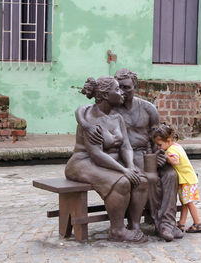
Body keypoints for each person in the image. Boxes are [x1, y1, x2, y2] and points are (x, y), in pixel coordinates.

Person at [75, 69, 183, 241]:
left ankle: (168, 223)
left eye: (126, 88)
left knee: (171, 174)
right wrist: (84, 122)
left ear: (135, 86)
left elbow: (158, 136)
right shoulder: (111, 106)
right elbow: (85, 109)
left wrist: (159, 153)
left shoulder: (148, 109)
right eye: (119, 88)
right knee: (150, 178)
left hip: (145, 153)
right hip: (124, 157)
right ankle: (156, 222)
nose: (122, 92)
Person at [65, 76, 149, 242]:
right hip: (83, 162)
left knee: (141, 179)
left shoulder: (117, 118)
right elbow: (96, 155)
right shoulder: (89, 118)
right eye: (117, 89)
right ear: (104, 95)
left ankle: (135, 225)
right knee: (122, 182)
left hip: (107, 162)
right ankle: (117, 230)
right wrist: (123, 170)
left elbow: (125, 145)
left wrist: (131, 165)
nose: (121, 93)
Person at [152, 124, 201, 233]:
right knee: (185, 202)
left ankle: (198, 223)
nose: (158, 147)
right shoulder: (176, 145)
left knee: (189, 202)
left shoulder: (171, 151)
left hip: (186, 180)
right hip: (188, 179)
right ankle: (181, 223)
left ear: (169, 140)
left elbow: (176, 161)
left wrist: (165, 156)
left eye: (160, 145)